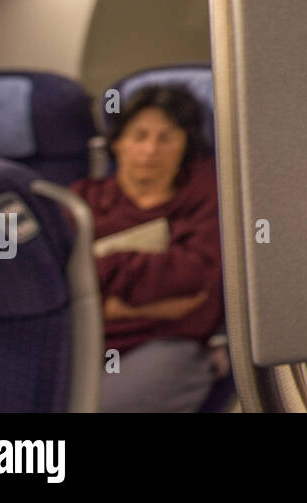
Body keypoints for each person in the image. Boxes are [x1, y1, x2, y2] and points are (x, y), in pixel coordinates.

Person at [71, 84, 227, 412]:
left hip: (168, 344)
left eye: (167, 138)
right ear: (118, 143)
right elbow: (52, 281)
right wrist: (149, 298)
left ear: (186, 146)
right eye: (139, 136)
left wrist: (100, 275)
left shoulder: (207, 195)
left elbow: (195, 282)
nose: (150, 149)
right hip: (79, 341)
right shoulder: (81, 200)